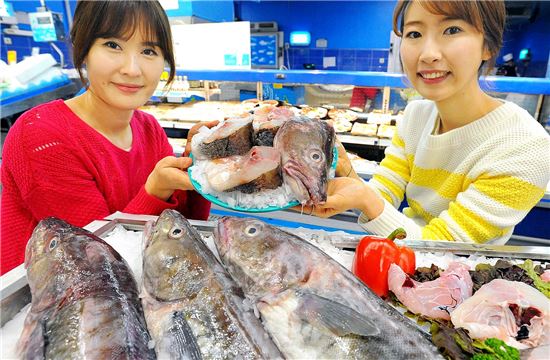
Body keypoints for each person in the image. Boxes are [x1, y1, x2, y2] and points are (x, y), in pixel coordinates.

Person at [302, 0, 550, 244]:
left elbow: (442, 247)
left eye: (452, 30)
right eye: (414, 33)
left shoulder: (527, 148)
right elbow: (383, 195)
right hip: (402, 261)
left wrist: (365, 199)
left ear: (489, 45)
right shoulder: (416, 116)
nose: (428, 54)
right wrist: (348, 175)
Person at [1, 0, 214, 275]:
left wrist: (200, 166)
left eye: (149, 50)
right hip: (44, 300)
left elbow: (179, 231)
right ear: (83, 49)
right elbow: (96, 261)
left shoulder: (149, 128)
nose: (132, 69)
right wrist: (155, 190)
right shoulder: (42, 135)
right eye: (113, 45)